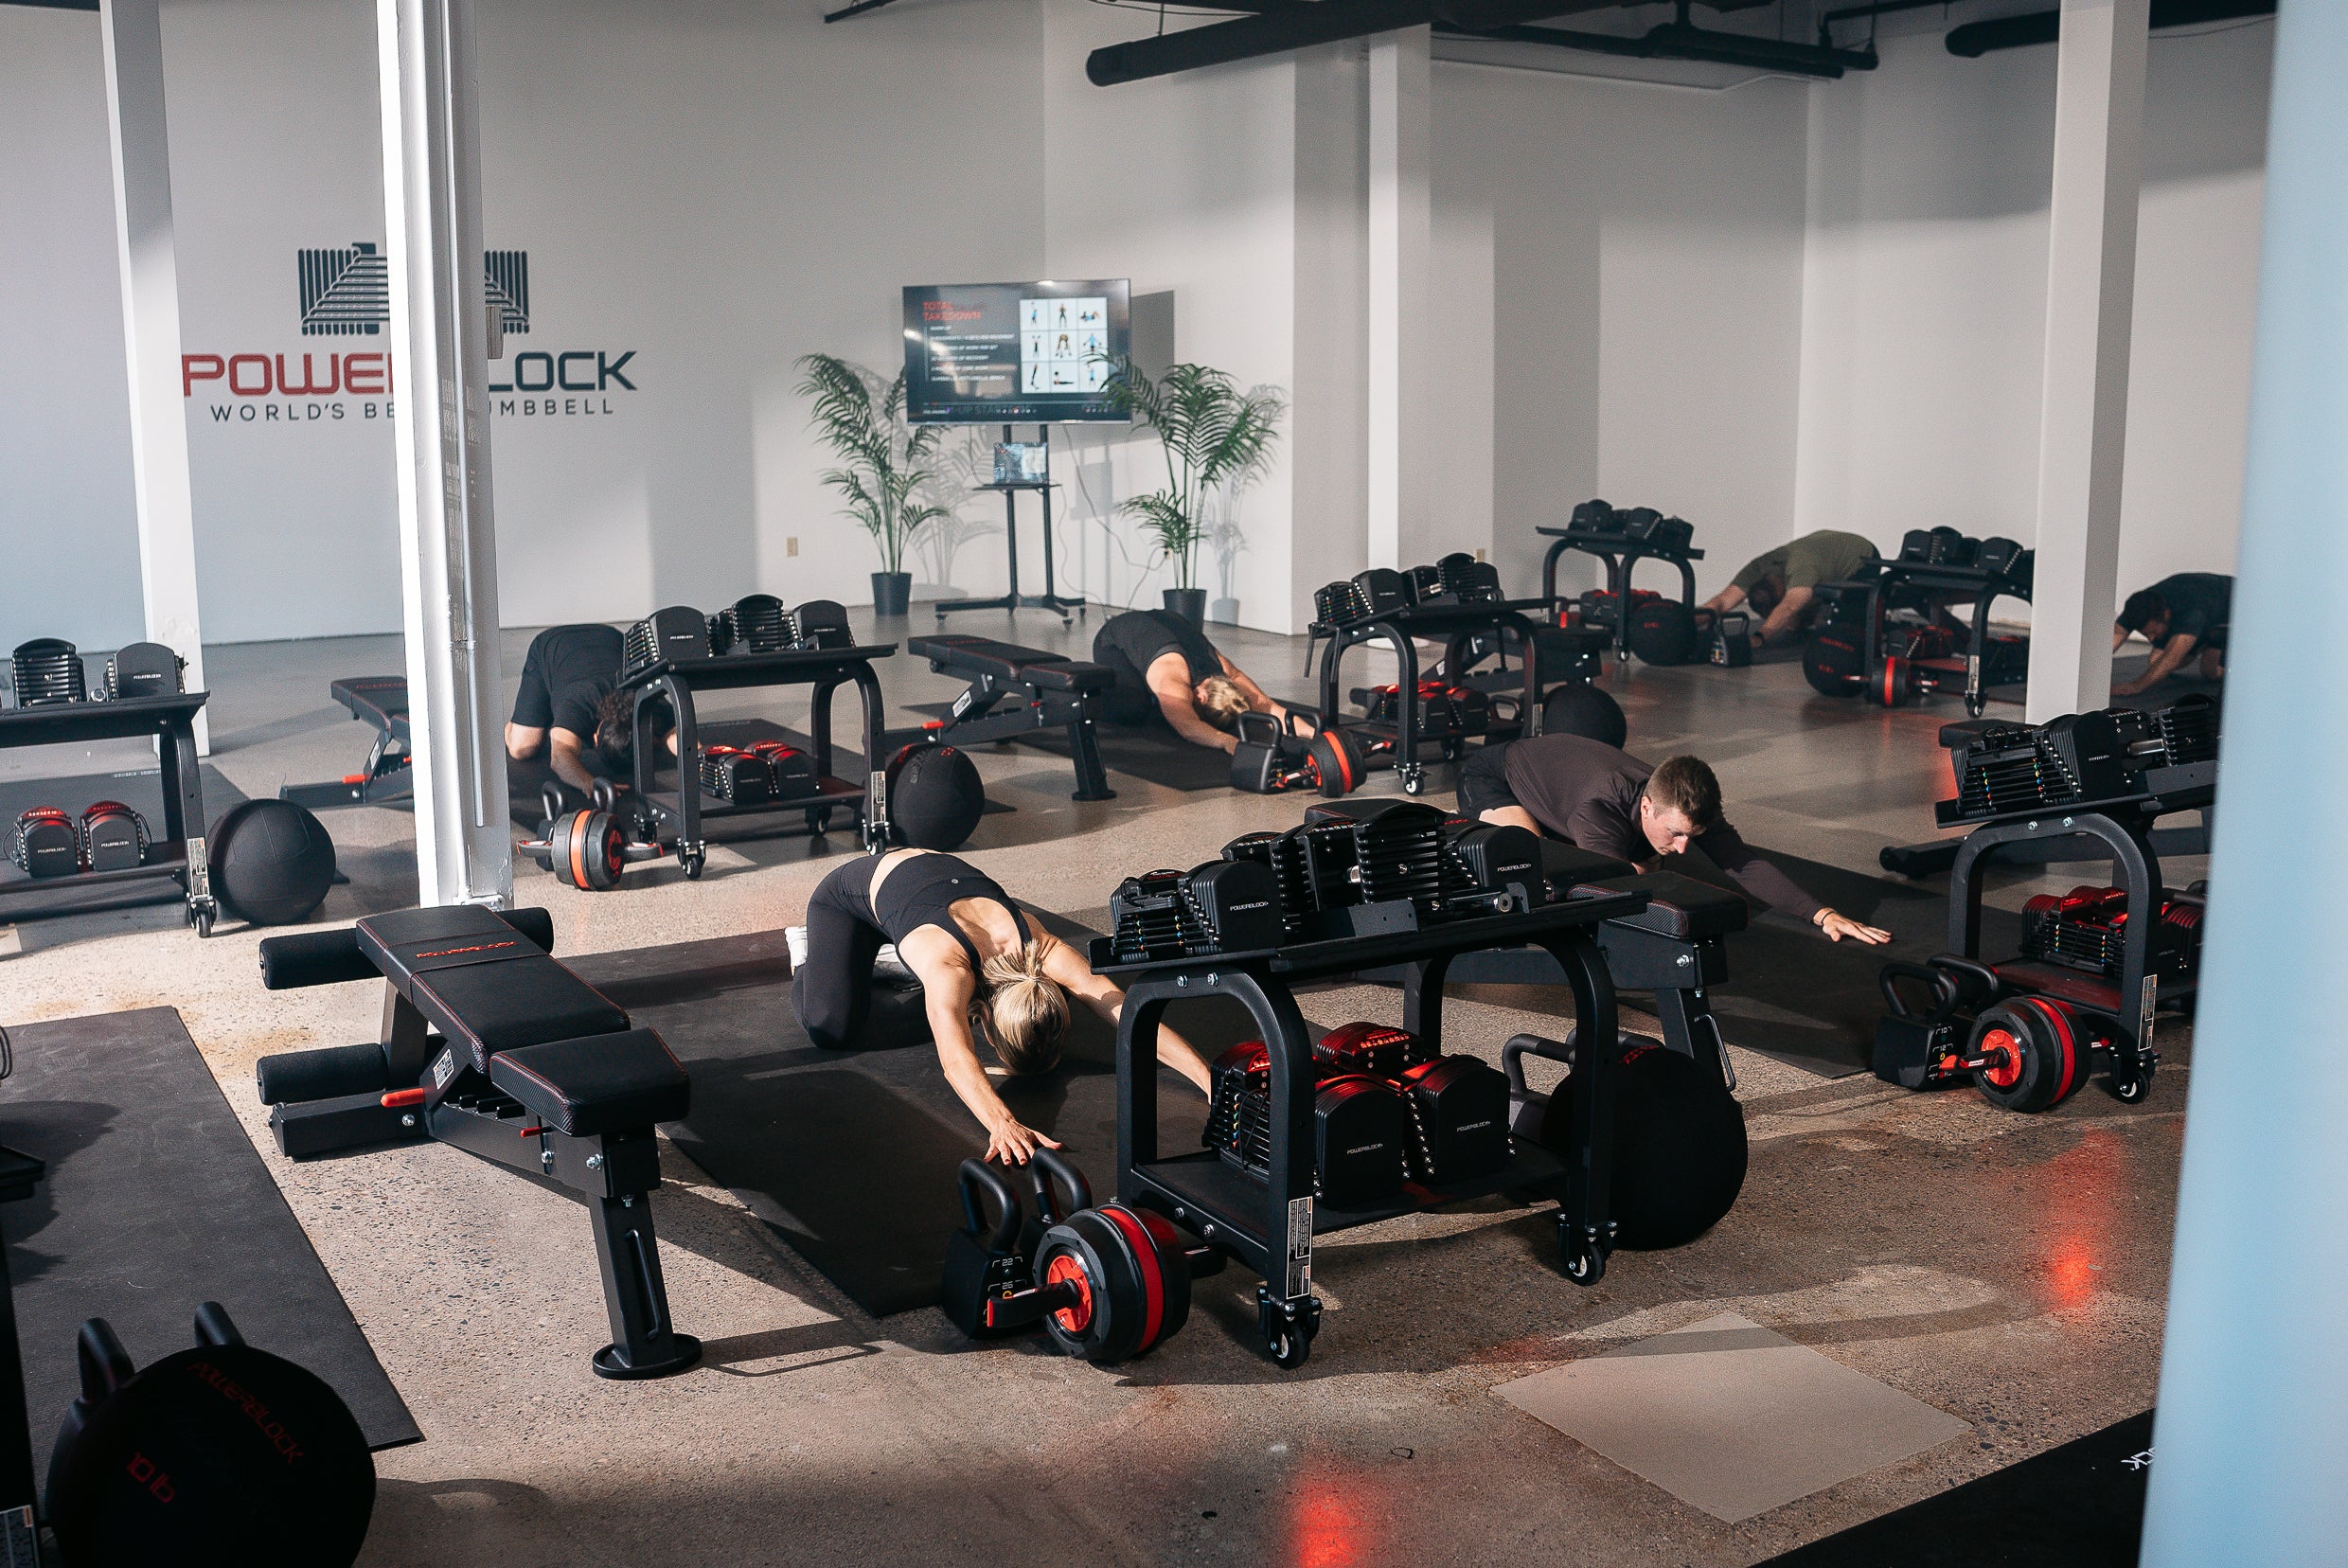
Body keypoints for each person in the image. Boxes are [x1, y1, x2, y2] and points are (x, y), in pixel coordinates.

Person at [788, 848, 1214, 1165]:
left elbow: (1124, 1008)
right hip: (847, 898)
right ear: (985, 1018)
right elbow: (955, 1062)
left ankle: (890, 963)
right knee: (831, 1027)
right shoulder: (948, 966)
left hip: (926, 891)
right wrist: (1001, 1122)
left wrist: (1208, 1078)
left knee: (944, 1014)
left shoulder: (1040, 945)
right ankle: (819, 959)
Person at [1457, 732, 1891, 944]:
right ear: (1647, 807)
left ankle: (1562, 832)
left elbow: (1743, 863)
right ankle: (1466, 828)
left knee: (1645, 867)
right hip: (1498, 777)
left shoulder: (1675, 801)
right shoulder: (1599, 811)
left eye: (1692, 835)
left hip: (1566, 790)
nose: (1685, 847)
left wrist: (1822, 913)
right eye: (1677, 833)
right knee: (1530, 873)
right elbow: (1603, 894)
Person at [1091, 608, 1306, 754]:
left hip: (1164, 623)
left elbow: (1268, 707)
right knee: (1132, 710)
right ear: (1201, 698)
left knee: (1169, 706)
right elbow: (1188, 727)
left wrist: (1318, 734)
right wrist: (1227, 741)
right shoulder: (1172, 677)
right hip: (1113, 638)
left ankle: (1166, 703)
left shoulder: (1227, 671)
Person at [503, 623, 675, 795]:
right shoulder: (578, 705)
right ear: (594, 738)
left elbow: (681, 737)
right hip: (553, 643)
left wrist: (700, 762)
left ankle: (558, 722)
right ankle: (520, 721)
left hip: (609, 636)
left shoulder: (650, 704)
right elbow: (560, 759)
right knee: (523, 748)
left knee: (565, 730)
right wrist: (588, 783)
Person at [1702, 531, 1881, 645]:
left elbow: (1789, 606)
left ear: (1781, 592)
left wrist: (1760, 636)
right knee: (1792, 622)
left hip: (1863, 557)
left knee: (1825, 624)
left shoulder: (1801, 568)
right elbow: (1722, 601)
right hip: (1822, 557)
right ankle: (1806, 615)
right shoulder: (1756, 569)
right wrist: (1687, 622)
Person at [2112, 573, 2231, 697]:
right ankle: (2201, 642)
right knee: (2156, 660)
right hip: (2203, 609)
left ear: (2166, 614)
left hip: (2232, 609)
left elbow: (2172, 657)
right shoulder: (2138, 608)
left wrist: (2134, 687)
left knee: (2210, 672)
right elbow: (2118, 633)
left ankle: (2216, 646)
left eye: (2153, 632)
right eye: (2146, 634)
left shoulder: (2192, 612)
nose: (2151, 638)